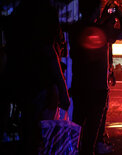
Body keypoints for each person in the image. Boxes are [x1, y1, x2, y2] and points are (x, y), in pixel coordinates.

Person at [1, 0, 70, 154]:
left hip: (19, 80)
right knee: (43, 134)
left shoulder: (17, 13)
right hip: (42, 83)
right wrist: (63, 90)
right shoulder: (46, 13)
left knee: (26, 131)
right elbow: (50, 53)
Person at [69, 0, 122, 154]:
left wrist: (103, 21)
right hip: (97, 88)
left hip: (79, 86)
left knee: (78, 125)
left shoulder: (75, 29)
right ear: (96, 11)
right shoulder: (103, 31)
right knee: (92, 132)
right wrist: (119, 16)